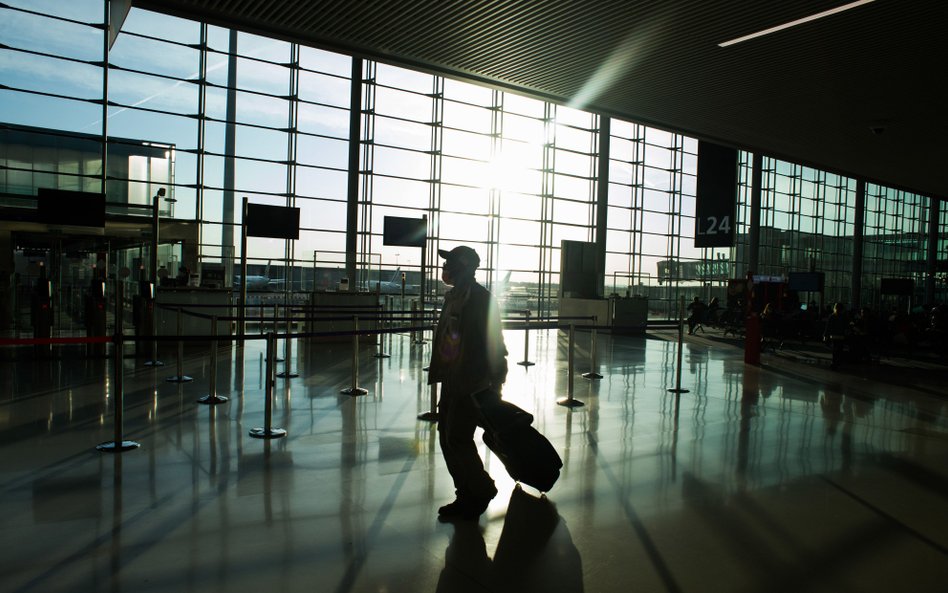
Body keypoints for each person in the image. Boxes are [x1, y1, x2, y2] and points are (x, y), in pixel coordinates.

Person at [428, 245, 508, 520]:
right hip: (452, 381)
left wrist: (495, 384)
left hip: (472, 383)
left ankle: (480, 490)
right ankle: (465, 492)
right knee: (446, 438)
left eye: (449, 263)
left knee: (457, 438)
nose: (444, 268)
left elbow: (495, 344)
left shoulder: (480, 299)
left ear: (464, 269)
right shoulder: (454, 297)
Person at [823, 302, 850, 370]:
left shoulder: (832, 316)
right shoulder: (844, 317)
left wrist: (825, 336)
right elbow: (847, 326)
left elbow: (828, 327)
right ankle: (838, 362)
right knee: (839, 349)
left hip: (834, 336)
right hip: (841, 336)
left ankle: (834, 362)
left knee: (835, 350)